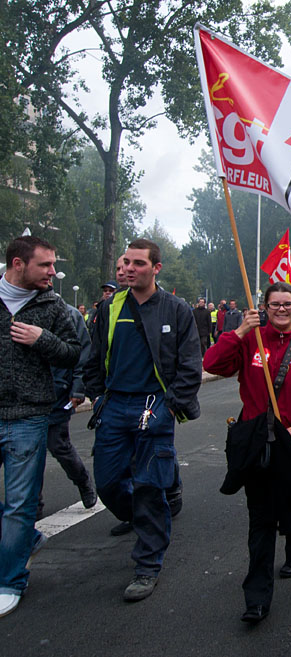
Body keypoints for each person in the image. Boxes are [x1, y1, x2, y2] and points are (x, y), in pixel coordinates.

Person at [203, 282, 291, 623]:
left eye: (287, 304)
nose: (281, 309)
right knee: (261, 517)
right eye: (274, 304)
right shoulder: (250, 339)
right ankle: (257, 596)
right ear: (264, 307)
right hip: (257, 442)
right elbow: (213, 363)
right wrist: (239, 330)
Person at [84, 238, 202, 603]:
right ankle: (140, 516)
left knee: (150, 485)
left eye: (138, 263)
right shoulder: (109, 307)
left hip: (154, 406)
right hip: (114, 406)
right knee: (106, 482)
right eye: (126, 262)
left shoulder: (176, 309)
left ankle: (147, 564)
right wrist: (97, 394)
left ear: (156, 268)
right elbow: (93, 355)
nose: (130, 268)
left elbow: (189, 364)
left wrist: (170, 407)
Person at [0, 236, 81, 619]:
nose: (53, 272)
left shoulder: (53, 307)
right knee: (15, 512)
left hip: (29, 415)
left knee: (20, 503)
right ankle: (27, 540)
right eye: (45, 265)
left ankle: (10, 580)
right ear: (18, 264)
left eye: (53, 265)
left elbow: (74, 351)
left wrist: (42, 339)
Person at [37, 301, 97, 520]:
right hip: (24, 398)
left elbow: (83, 353)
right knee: (29, 453)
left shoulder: (68, 313)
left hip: (58, 393)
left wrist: (78, 387)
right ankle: (34, 505)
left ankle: (83, 481)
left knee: (58, 446)